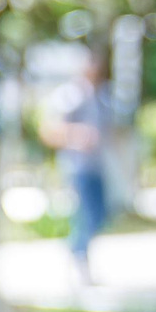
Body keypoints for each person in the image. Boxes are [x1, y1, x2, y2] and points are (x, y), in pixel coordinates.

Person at [41, 51, 115, 296]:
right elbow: (48, 129)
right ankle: (78, 262)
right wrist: (77, 135)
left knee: (101, 215)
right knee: (84, 217)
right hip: (77, 167)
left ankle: (80, 256)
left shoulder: (101, 95)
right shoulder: (69, 96)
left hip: (97, 166)